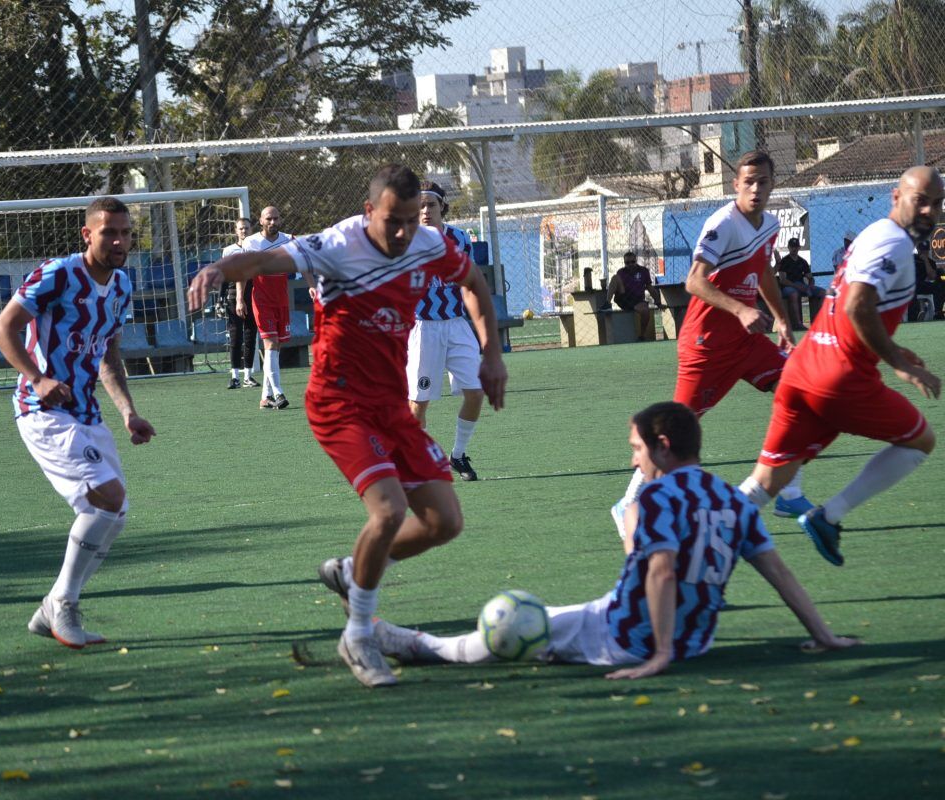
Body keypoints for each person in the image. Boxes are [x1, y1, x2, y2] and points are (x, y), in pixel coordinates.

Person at [188, 164, 508, 687]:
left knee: (443, 522)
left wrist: (491, 353)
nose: (403, 232)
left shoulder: (429, 243)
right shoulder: (337, 243)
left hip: (389, 406)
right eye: (392, 221)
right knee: (388, 511)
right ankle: (358, 635)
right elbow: (269, 257)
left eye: (410, 220)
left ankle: (350, 570)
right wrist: (220, 271)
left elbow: (472, 281)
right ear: (368, 212)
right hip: (338, 401)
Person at [370, 402, 858, 677]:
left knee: (512, 625)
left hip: (623, 635)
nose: (633, 462)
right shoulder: (733, 500)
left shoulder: (656, 499)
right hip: (697, 642)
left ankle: (419, 646)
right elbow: (779, 572)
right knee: (550, 625)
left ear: (662, 447)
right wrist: (824, 635)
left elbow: (663, 571)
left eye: (636, 450)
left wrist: (660, 653)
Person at [737, 167, 943, 567]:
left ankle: (693, 543)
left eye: (937, 203)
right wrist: (898, 362)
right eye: (921, 200)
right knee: (920, 441)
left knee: (765, 484)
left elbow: (852, 310)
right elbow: (857, 306)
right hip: (839, 378)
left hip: (801, 369)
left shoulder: (873, 233)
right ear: (895, 196)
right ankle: (828, 517)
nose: (929, 211)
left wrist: (893, 345)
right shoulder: (895, 244)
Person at [0, 196, 157, 649]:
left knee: (115, 514)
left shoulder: (121, 285)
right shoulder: (57, 273)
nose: (120, 241)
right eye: (109, 233)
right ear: (88, 234)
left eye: (125, 233)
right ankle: (61, 604)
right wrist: (38, 378)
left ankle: (56, 607)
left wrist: (128, 412)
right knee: (109, 496)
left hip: (86, 412)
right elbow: (2, 328)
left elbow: (109, 356)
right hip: (42, 411)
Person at [614, 151, 813, 528]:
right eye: (749, 182)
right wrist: (740, 310)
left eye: (763, 182)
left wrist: (783, 320)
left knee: (801, 388)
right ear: (736, 184)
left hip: (747, 342)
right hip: (706, 344)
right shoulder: (723, 224)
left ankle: (789, 492)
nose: (756, 189)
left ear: (773, 184)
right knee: (675, 430)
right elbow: (694, 281)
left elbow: (764, 272)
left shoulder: (769, 225)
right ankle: (628, 503)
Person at [406, 181, 485, 481]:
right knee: (417, 406)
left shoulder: (460, 239)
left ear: (442, 207)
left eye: (431, 205)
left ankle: (458, 455)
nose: (425, 211)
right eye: (419, 206)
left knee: (475, 393)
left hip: (456, 325)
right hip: (422, 328)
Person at [242, 206, 295, 410]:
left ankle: (266, 396)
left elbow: (305, 261)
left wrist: (311, 285)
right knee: (270, 345)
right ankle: (279, 393)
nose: (273, 222)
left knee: (276, 349)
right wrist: (239, 298)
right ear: (261, 220)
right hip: (262, 300)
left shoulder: (289, 240)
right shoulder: (251, 242)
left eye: (276, 218)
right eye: (268, 219)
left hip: (281, 300)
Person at [220, 218, 259, 389]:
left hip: (253, 295)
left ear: (252, 230)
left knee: (251, 335)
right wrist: (220, 299)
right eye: (241, 228)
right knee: (235, 337)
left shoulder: (257, 249)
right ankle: (235, 376)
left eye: (247, 228)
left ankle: (248, 376)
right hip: (232, 296)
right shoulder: (228, 251)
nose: (244, 231)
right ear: (236, 231)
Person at [605, 250, 661, 341]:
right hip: (623, 298)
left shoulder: (643, 271)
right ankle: (607, 303)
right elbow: (617, 286)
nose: (630, 264)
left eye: (632, 262)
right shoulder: (621, 272)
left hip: (637, 300)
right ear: (624, 263)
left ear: (636, 261)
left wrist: (658, 301)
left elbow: (650, 287)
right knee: (615, 278)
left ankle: (642, 336)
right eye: (627, 263)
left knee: (646, 311)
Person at [775, 237, 826, 329]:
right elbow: (783, 280)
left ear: (799, 247)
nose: (794, 249)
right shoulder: (784, 261)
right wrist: (797, 286)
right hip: (788, 287)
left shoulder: (803, 261)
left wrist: (810, 286)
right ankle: (798, 324)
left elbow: (810, 277)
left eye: (796, 246)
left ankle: (819, 322)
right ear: (788, 247)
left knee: (823, 292)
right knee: (794, 294)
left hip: (801, 286)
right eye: (792, 247)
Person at [913, 241, 945, 320]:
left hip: (922, 285)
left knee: (938, 287)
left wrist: (926, 260)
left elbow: (932, 276)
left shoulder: (931, 262)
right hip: (911, 285)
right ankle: (916, 313)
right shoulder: (912, 259)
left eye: (926, 250)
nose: (924, 252)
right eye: (922, 250)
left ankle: (938, 313)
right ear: (918, 250)